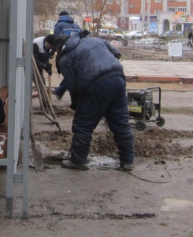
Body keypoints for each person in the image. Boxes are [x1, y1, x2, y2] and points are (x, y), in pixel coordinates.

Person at [53, 33, 135, 171]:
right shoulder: (94, 40)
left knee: (83, 124)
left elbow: (71, 85)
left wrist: (76, 103)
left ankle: (78, 160)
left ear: (59, 47)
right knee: (121, 122)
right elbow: (117, 53)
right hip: (118, 78)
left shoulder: (65, 58)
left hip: (95, 84)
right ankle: (128, 161)